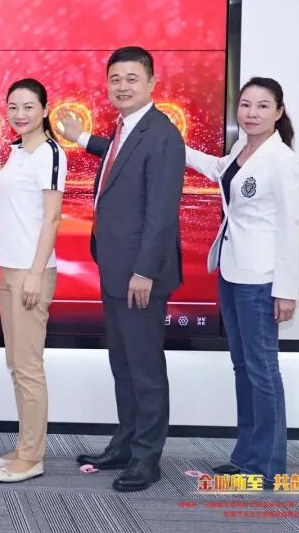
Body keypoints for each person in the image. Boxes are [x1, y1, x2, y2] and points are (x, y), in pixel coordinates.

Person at [60, 46, 185, 493]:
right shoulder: (127, 128)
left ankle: (147, 459)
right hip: (116, 269)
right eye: (115, 79)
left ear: (152, 83)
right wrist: (80, 137)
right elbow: (117, 155)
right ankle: (126, 444)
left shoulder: (163, 134)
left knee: (145, 369)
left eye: (132, 78)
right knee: (124, 365)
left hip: (139, 276)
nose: (122, 86)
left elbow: (161, 212)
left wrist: (144, 271)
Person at [183, 77, 299, 486]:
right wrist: (174, 145)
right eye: (246, 105)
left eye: (263, 106)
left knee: (262, 369)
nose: (252, 113)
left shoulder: (282, 161)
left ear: (278, 112)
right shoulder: (241, 148)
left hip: (261, 279)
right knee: (243, 366)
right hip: (231, 269)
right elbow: (216, 169)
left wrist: (286, 290)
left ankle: (267, 467)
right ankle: (246, 456)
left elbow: (291, 229)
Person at [0, 79, 66, 484]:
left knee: (28, 367)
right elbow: (1, 183)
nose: (20, 114)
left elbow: (53, 218)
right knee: (16, 363)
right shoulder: (17, 151)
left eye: (28, 106)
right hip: (8, 269)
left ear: (44, 109)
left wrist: (35, 273)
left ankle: (32, 457)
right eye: (13, 107)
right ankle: (25, 446)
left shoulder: (50, 153)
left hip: (30, 272)